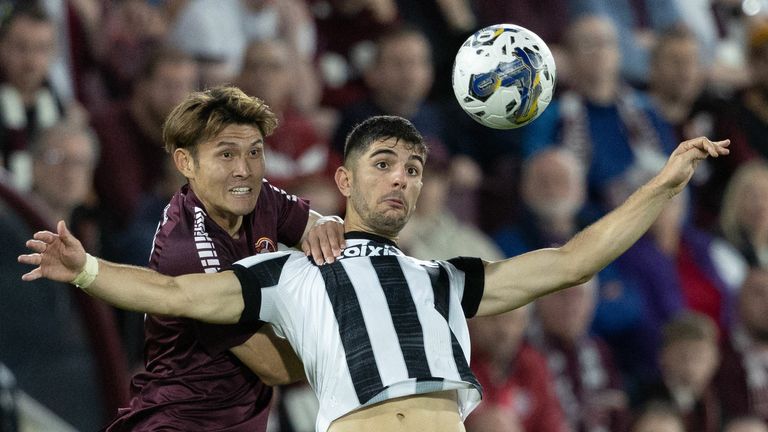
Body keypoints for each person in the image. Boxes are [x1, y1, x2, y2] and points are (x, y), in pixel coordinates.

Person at [19, 115, 729, 432]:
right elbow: (171, 292)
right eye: (384, 164)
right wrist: (86, 271)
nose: (402, 179)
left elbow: (575, 261)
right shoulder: (288, 272)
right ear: (344, 181)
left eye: (414, 168)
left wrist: (664, 184)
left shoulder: (446, 278)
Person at [99, 86, 347, 431]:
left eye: (255, 152)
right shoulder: (189, 250)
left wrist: (332, 224)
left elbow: (321, 231)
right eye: (226, 155)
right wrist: (351, 342)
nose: (244, 169)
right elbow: (272, 365)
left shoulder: (260, 198)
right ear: (186, 162)